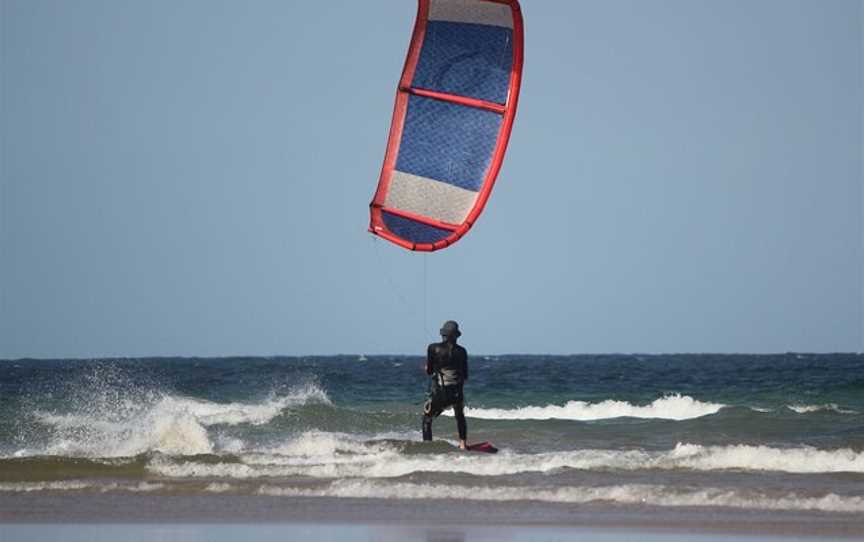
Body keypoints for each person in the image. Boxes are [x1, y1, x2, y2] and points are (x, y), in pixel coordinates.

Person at [422, 320, 468, 449]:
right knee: (460, 416)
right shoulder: (462, 351)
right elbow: (465, 376)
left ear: (443, 335)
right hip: (457, 392)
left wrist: (427, 369)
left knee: (427, 419)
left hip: (441, 393)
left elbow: (430, 371)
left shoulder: (433, 348)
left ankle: (427, 448)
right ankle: (463, 444)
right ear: (456, 336)